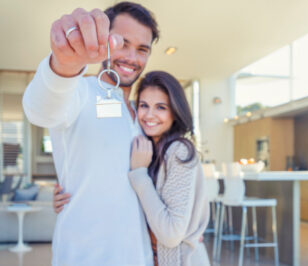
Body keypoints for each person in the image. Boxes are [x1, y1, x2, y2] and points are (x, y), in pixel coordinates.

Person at [22, 2, 160, 265]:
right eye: (122, 43)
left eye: (142, 49)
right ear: (104, 40)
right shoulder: (79, 91)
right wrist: (63, 65)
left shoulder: (143, 114)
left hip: (137, 255)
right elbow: (41, 110)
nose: (132, 57)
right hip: (84, 256)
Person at [55, 71, 211, 266]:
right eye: (144, 105)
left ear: (175, 112)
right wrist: (71, 190)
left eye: (161, 107)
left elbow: (170, 234)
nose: (149, 115)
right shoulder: (147, 146)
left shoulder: (178, 151)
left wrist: (139, 175)